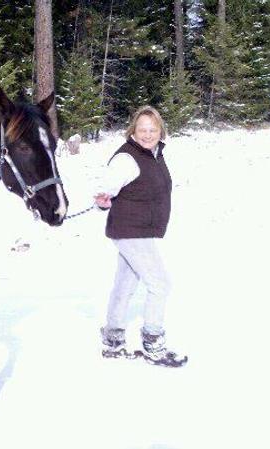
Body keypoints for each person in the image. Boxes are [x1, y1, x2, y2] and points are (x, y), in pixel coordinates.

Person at [94, 106, 187, 368]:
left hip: (137, 230)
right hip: (131, 231)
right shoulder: (127, 158)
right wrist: (102, 199)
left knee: (125, 285)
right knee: (160, 284)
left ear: (160, 131)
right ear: (133, 130)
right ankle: (153, 343)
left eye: (152, 130)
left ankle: (113, 340)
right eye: (142, 129)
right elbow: (105, 187)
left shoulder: (154, 154)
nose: (147, 135)